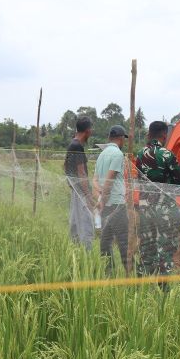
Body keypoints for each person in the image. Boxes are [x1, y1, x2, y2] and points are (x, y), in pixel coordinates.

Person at [135, 121, 180, 282]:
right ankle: (162, 289)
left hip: (145, 209)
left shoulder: (140, 154)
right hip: (164, 210)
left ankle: (141, 286)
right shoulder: (168, 155)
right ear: (165, 135)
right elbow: (179, 181)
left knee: (146, 246)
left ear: (149, 134)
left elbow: (139, 179)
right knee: (165, 247)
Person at [94, 125, 129, 273]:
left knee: (106, 241)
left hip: (104, 204)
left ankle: (109, 273)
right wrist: (104, 199)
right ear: (121, 139)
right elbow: (110, 180)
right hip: (116, 203)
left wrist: (100, 199)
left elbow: (95, 180)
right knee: (123, 241)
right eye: (124, 140)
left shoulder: (102, 154)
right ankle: (129, 275)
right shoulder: (117, 154)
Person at [64, 116, 95, 249]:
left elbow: (65, 165)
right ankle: (86, 256)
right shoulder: (77, 146)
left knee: (75, 223)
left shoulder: (73, 144)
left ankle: (75, 251)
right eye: (91, 129)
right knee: (86, 224)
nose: (91, 132)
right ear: (87, 131)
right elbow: (81, 173)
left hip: (75, 190)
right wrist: (88, 196)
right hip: (80, 193)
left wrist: (71, 183)